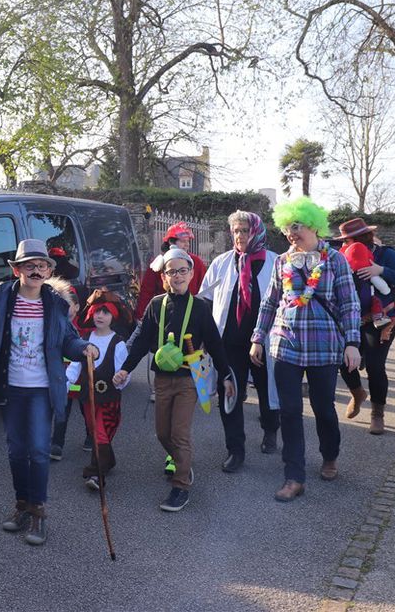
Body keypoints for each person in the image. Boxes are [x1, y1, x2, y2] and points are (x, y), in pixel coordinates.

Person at [0, 238, 96, 546]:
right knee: (16, 451)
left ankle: (39, 511)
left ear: (48, 270)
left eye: (42, 266)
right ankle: (22, 506)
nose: (36, 270)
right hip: (12, 387)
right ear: (17, 270)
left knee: (40, 451)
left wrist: (85, 349)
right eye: (29, 265)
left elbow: (69, 340)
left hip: (42, 389)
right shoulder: (0, 301)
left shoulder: (55, 304)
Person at [249, 197, 360, 502]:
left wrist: (352, 342)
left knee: (324, 408)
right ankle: (294, 475)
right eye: (286, 228)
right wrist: (258, 338)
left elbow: (350, 304)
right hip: (286, 345)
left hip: (324, 347)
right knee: (290, 412)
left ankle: (329, 455)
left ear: (313, 225)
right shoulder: (282, 261)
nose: (290, 233)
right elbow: (269, 302)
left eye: (295, 226)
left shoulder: (335, 260)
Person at [115, 248, 231, 512]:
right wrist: (125, 369)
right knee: (162, 433)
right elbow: (142, 341)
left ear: (191, 273)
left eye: (182, 270)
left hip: (190, 379)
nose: (176, 276)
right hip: (162, 381)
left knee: (179, 434)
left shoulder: (201, 307)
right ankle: (182, 464)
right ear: (164, 276)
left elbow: (214, 343)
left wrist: (225, 375)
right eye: (171, 271)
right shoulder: (156, 304)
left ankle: (180, 486)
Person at [197, 210, 280, 473]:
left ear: (256, 232)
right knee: (229, 393)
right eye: (235, 231)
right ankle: (235, 449)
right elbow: (205, 300)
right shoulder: (221, 263)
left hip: (265, 344)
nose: (240, 236)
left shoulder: (275, 263)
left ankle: (270, 429)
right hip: (229, 344)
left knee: (268, 391)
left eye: (244, 230)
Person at [333, 218, 395, 436]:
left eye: (348, 239)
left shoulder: (386, 254)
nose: (345, 244)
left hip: (381, 320)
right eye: (344, 240)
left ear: (361, 237)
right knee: (343, 361)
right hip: (350, 320)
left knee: (375, 367)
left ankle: (378, 413)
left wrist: (380, 270)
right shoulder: (340, 257)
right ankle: (357, 393)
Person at [65, 291, 130, 490]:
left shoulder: (118, 343)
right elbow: (75, 367)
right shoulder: (83, 339)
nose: (100, 316)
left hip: (110, 398)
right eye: (97, 312)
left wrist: (121, 379)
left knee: (102, 434)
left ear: (113, 316)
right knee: (95, 433)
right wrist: (64, 386)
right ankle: (107, 461)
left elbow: (123, 373)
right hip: (88, 398)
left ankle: (96, 475)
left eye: (105, 312)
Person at [135, 222, 208, 321]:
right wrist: (141, 316)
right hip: (165, 314)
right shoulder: (159, 263)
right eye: (182, 241)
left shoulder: (197, 263)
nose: (186, 244)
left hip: (192, 313)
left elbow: (204, 288)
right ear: (171, 242)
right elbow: (146, 292)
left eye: (188, 241)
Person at [49, 293, 91, 462]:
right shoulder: (55, 326)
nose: (66, 309)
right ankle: (57, 443)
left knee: (87, 411)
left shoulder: (85, 328)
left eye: (69, 304)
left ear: (77, 306)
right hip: (63, 380)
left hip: (83, 380)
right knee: (61, 412)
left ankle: (90, 437)